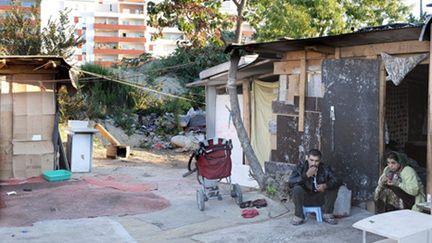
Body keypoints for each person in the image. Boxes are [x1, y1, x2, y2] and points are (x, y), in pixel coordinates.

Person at [288, 149, 340, 225]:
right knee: (297, 189)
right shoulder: (300, 167)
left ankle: (327, 215)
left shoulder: (325, 168)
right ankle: (299, 216)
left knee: (333, 187)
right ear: (307, 158)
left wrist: (326, 185)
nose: (314, 163)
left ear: (320, 160)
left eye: (316, 161)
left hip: (320, 198)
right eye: (311, 160)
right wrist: (306, 175)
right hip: (305, 198)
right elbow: (291, 183)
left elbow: (337, 180)